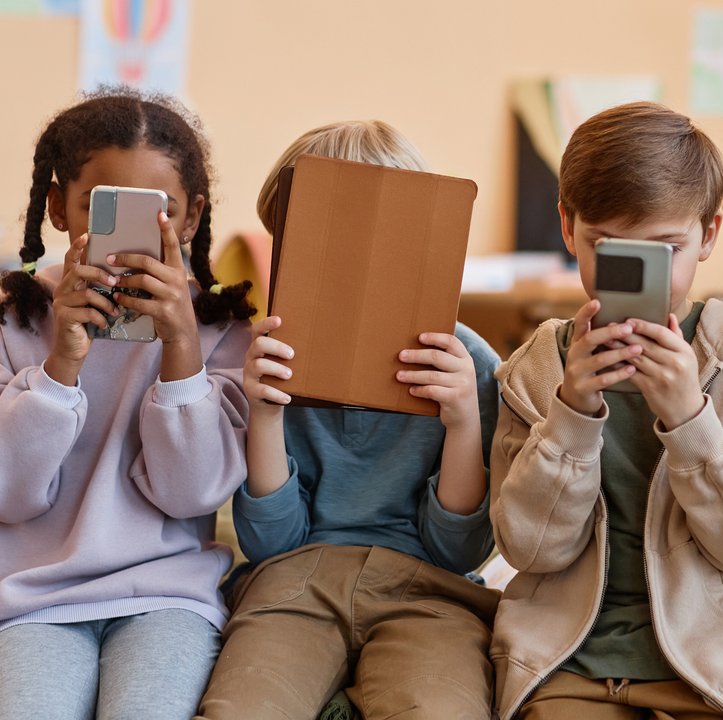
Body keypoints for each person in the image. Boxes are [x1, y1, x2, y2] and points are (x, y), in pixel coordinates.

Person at [489, 102, 723, 720]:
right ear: (567, 227)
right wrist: (572, 416)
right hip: (571, 664)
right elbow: (530, 551)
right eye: (610, 249)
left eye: (666, 248)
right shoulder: (536, 368)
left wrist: (693, 421)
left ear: (709, 234)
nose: (641, 275)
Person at [0, 89, 255, 720]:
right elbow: (1, 491)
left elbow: (193, 493)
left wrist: (181, 349)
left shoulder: (222, 331)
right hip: (27, 600)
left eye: (161, 211)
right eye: (100, 207)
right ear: (59, 208)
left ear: (192, 218)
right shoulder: (0, 320)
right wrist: (60, 363)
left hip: (166, 596)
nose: (133, 234)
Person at [196, 120, 502, 720]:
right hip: (292, 584)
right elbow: (269, 543)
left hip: (431, 593)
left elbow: (460, 551)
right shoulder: (259, 359)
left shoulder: (468, 366)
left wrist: (463, 422)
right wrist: (263, 413)